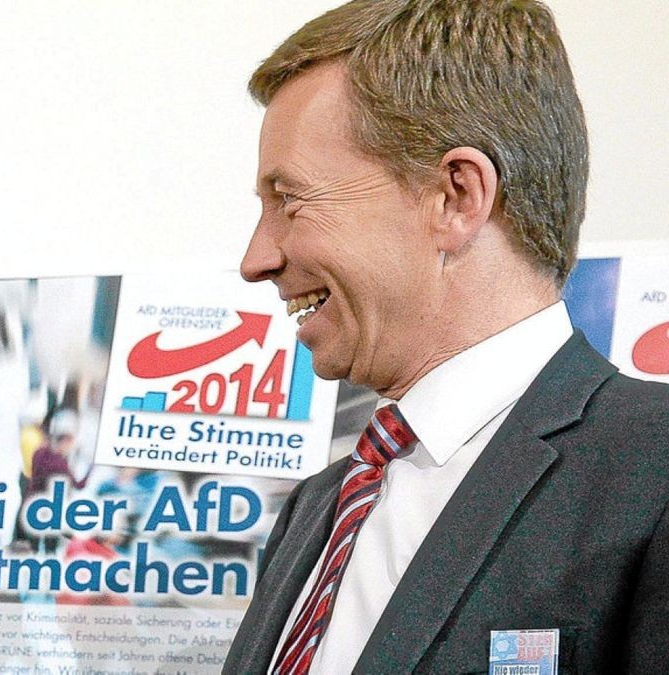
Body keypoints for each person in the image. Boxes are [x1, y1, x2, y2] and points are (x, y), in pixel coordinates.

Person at [223, 1, 669, 673]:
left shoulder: (652, 474)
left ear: (457, 197)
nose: (256, 258)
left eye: (290, 200)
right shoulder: (316, 508)